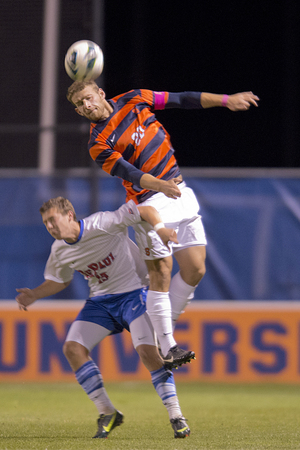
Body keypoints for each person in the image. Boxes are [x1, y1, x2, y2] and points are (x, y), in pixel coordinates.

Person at [66, 82, 260, 365]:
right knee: (161, 273)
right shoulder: (98, 144)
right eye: (80, 104)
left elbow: (182, 98)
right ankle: (168, 345)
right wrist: (160, 185)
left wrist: (226, 100)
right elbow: (130, 173)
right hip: (150, 203)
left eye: (88, 98)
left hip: (178, 190)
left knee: (195, 268)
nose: (86, 105)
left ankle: (160, 327)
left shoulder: (134, 98)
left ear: (100, 93)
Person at [15, 196, 190, 439]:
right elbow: (60, 279)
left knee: (148, 354)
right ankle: (108, 412)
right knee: (72, 349)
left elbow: (147, 210)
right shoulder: (59, 250)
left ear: (69, 215)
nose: (50, 226)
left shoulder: (102, 223)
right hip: (100, 301)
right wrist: (34, 294)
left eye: (53, 220)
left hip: (133, 293)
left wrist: (160, 229)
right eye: (46, 223)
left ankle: (176, 415)